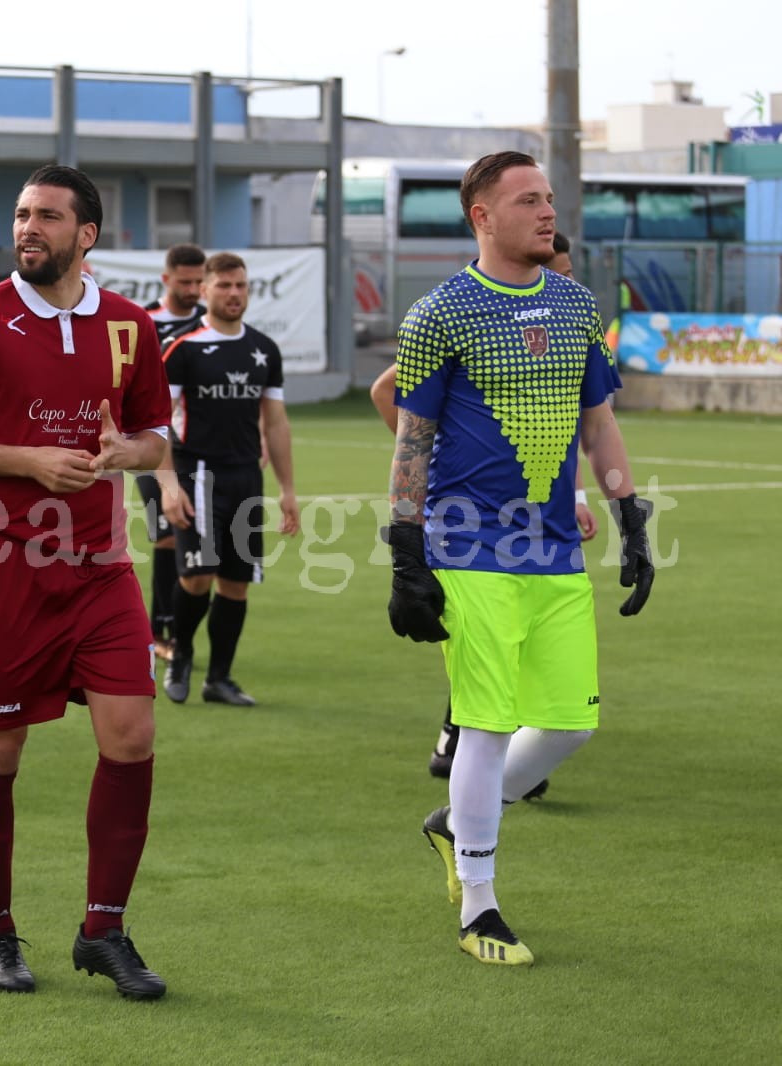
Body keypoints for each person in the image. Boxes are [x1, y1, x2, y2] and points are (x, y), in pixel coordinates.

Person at [0, 164, 172, 1000]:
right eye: (21, 214)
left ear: (85, 235)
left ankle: (103, 929)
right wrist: (28, 460)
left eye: (47, 217)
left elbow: (155, 435)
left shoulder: (129, 325)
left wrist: (129, 453)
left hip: (99, 567)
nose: (29, 228)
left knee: (130, 736)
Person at [385, 152, 654, 966]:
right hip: (466, 546)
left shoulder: (576, 305)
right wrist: (405, 551)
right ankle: (479, 905)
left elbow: (598, 423)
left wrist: (629, 519)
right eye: (527, 200)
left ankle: (455, 824)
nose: (546, 212)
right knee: (489, 722)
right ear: (481, 216)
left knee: (570, 724)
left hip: (552, 550)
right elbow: (410, 441)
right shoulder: (440, 313)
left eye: (547, 199)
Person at [370, 231, 596, 782]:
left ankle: (489, 776)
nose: (562, 285)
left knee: (538, 677)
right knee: (488, 671)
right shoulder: (465, 318)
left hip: (545, 529)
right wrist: (439, 462)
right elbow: (388, 395)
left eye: (568, 276)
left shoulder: (568, 319)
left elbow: (564, 426)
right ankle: (468, 756)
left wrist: (580, 493)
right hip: (472, 530)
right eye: (559, 273)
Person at [157, 252, 300, 706]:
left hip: (244, 478)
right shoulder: (183, 349)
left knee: (235, 584)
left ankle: (219, 679)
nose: (234, 294)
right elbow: (158, 423)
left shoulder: (264, 350)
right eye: (224, 286)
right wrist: (167, 485)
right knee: (198, 575)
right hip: (196, 472)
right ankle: (179, 653)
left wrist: (288, 491)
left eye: (240, 286)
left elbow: (275, 423)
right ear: (205, 290)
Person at [135, 243, 206, 659]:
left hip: (199, 449)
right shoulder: (143, 320)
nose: (194, 289)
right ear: (166, 280)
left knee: (200, 544)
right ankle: (158, 631)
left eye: (199, 281)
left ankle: (180, 631)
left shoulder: (206, 321)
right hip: (151, 442)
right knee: (165, 536)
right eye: (185, 282)